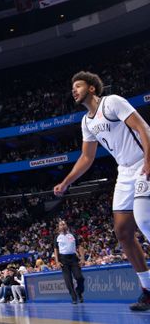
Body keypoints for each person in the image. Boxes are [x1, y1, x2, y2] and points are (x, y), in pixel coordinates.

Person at [54, 71, 150, 311]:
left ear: (92, 89)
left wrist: (149, 161)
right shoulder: (86, 121)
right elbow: (87, 157)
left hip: (143, 161)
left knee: (144, 218)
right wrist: (66, 182)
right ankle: (148, 290)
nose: (74, 90)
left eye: (78, 86)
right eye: (72, 87)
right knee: (123, 232)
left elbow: (143, 128)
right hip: (125, 171)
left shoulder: (113, 102)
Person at [53, 220, 85, 304]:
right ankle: (74, 298)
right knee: (68, 281)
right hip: (63, 259)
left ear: (66, 225)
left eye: (64, 224)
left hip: (73, 258)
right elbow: (55, 250)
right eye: (61, 224)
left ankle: (79, 291)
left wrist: (82, 258)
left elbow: (79, 247)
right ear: (58, 227)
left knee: (79, 277)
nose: (63, 225)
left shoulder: (73, 235)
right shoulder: (57, 237)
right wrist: (57, 261)